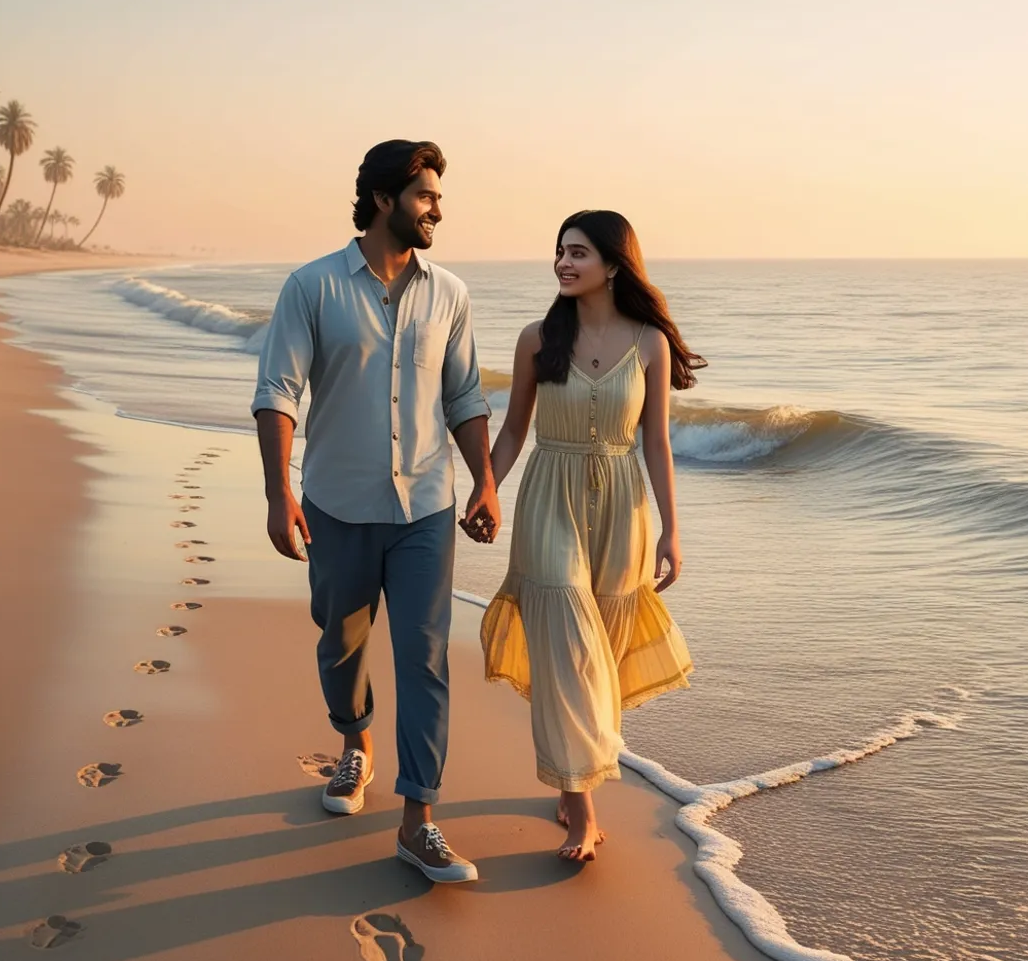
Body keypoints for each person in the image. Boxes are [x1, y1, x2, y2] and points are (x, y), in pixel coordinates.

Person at [252, 140, 499, 884]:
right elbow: (278, 392)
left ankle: (418, 819)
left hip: (426, 504)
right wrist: (278, 493)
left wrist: (485, 480)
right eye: (426, 196)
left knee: (425, 661)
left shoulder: (450, 294)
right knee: (341, 645)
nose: (437, 210)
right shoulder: (313, 287)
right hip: (338, 503)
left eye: (438, 198)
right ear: (386, 199)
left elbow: (463, 397)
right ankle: (354, 743)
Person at [477, 210, 703, 861]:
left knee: (601, 647)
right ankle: (582, 812)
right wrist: (487, 490)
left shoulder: (650, 343)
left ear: (613, 263)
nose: (563, 263)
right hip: (550, 498)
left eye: (577, 253)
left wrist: (671, 531)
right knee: (569, 646)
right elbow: (514, 429)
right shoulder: (535, 339)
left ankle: (573, 776)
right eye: (559, 252)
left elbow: (656, 443)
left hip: (624, 510)